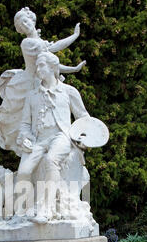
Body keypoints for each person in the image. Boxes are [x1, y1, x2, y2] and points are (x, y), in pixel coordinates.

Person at [0, 7, 86, 156]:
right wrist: (74, 36)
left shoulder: (39, 42)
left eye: (26, 21)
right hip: (29, 83)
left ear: (32, 20)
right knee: (28, 121)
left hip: (43, 80)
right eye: (21, 24)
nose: (25, 25)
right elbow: (54, 50)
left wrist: (73, 69)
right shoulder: (27, 43)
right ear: (20, 29)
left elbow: (52, 64)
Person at [15, 51, 91, 223]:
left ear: (52, 67)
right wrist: (25, 137)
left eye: (41, 65)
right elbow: (25, 124)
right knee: (24, 172)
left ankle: (46, 209)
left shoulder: (68, 92)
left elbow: (83, 117)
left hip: (61, 137)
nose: (37, 68)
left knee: (51, 161)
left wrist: (82, 138)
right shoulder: (32, 96)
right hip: (38, 140)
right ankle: (27, 211)